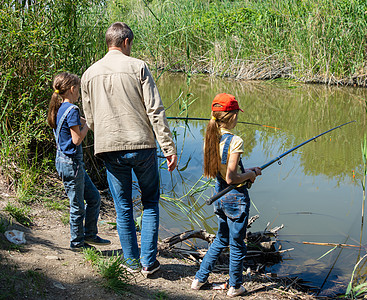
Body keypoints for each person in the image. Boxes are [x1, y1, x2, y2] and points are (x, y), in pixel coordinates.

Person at [81, 22, 177, 276]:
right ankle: (148, 263)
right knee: (150, 203)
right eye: (131, 44)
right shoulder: (138, 66)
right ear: (125, 42)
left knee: (123, 207)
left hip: (109, 149)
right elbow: (155, 110)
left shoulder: (89, 74)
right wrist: (168, 147)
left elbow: (89, 119)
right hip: (142, 145)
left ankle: (132, 263)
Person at [191, 93, 261, 297]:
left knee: (221, 239)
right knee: (238, 244)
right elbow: (232, 178)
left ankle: (199, 279)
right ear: (231, 116)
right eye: (237, 113)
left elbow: (223, 172)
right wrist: (251, 174)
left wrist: (247, 170)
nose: (238, 117)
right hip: (235, 198)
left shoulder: (211, 136)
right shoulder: (236, 141)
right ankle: (235, 286)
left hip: (219, 195)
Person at [47, 72, 110, 252]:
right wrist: (88, 127)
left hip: (64, 162)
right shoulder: (72, 110)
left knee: (94, 198)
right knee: (77, 206)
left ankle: (89, 234)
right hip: (71, 164)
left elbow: (79, 122)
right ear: (73, 89)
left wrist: (90, 120)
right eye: (79, 89)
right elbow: (76, 139)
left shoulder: (60, 108)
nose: (80, 93)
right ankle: (77, 243)